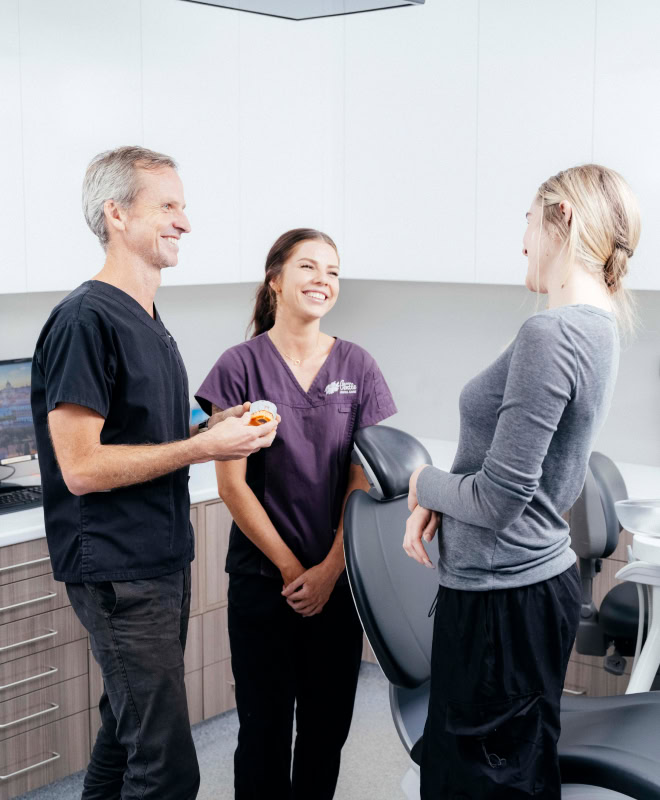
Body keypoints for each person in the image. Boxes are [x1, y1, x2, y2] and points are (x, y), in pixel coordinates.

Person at [30, 145, 279, 800]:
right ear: (116, 214)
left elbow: (149, 433)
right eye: (168, 206)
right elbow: (81, 467)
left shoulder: (148, 318)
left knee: (124, 732)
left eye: (183, 207)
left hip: (160, 560)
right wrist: (204, 450)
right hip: (119, 571)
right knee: (166, 767)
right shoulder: (85, 321)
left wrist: (219, 425)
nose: (185, 223)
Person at [402, 164, 641, 799]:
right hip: (529, 589)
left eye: (528, 226)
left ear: (561, 216)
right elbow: (522, 484)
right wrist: (443, 499)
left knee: (478, 784)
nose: (525, 246)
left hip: (500, 600)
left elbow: (500, 499)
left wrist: (422, 483)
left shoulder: (551, 332)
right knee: (517, 771)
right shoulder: (600, 329)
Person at [195, 228, 397, 800]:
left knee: (325, 731)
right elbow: (232, 486)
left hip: (339, 581)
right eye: (308, 267)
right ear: (275, 280)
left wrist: (331, 568)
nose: (322, 281)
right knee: (263, 731)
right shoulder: (239, 366)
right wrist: (290, 569)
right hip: (264, 582)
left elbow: (365, 473)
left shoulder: (358, 365)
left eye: (332, 271)